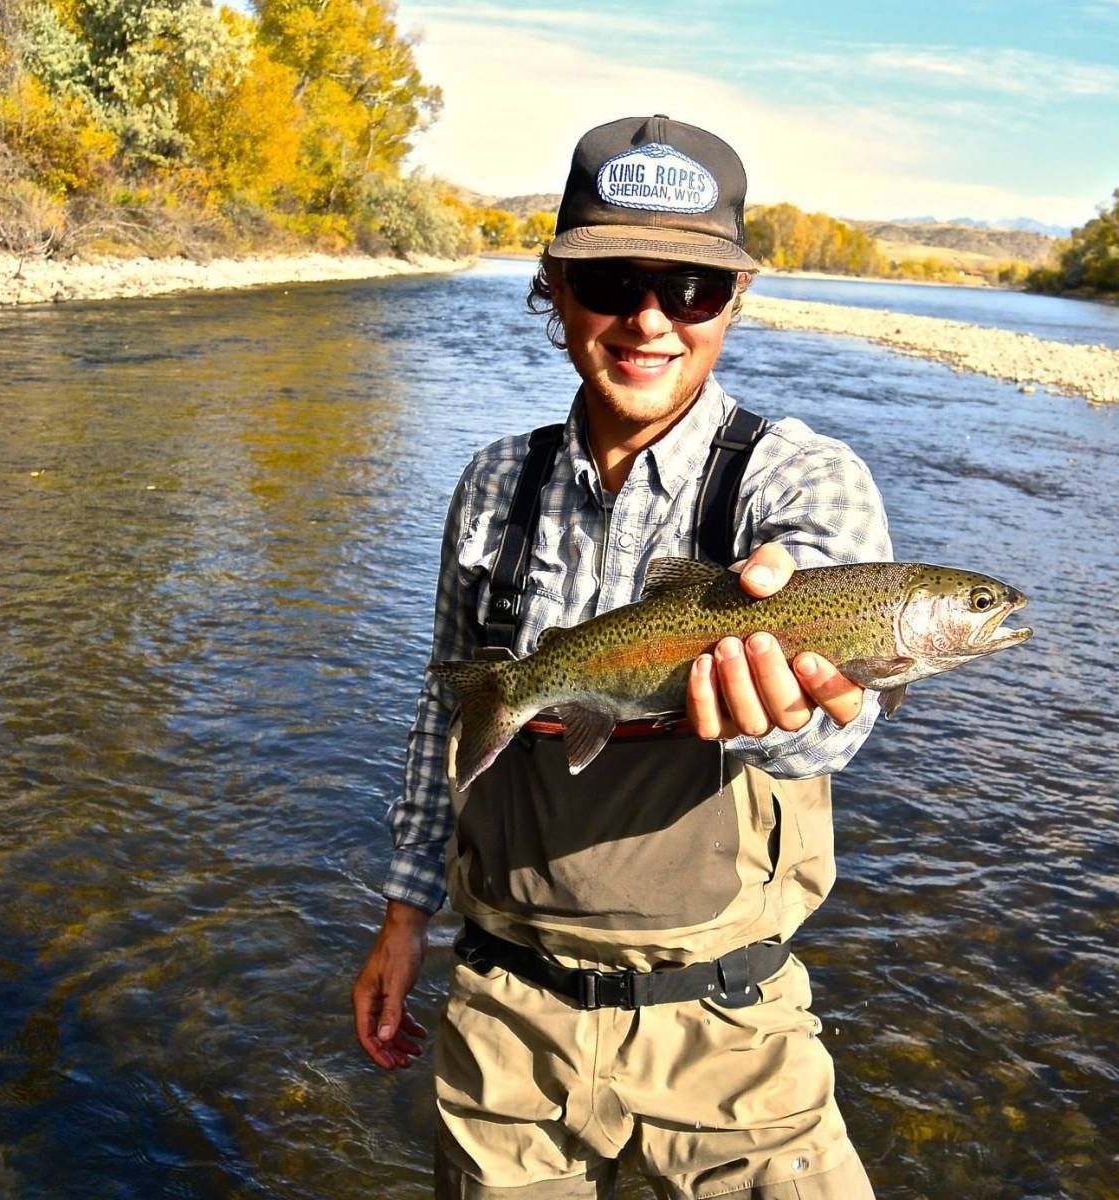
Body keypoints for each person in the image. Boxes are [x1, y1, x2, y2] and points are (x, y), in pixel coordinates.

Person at [352, 114, 892, 1199]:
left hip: (733, 1035)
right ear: (551, 290)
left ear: (735, 301)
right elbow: (445, 716)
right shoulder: (491, 486)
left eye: (690, 287)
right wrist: (406, 912)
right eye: (609, 281)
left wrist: (787, 707)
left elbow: (838, 729)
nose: (650, 319)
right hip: (503, 1017)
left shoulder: (800, 484)